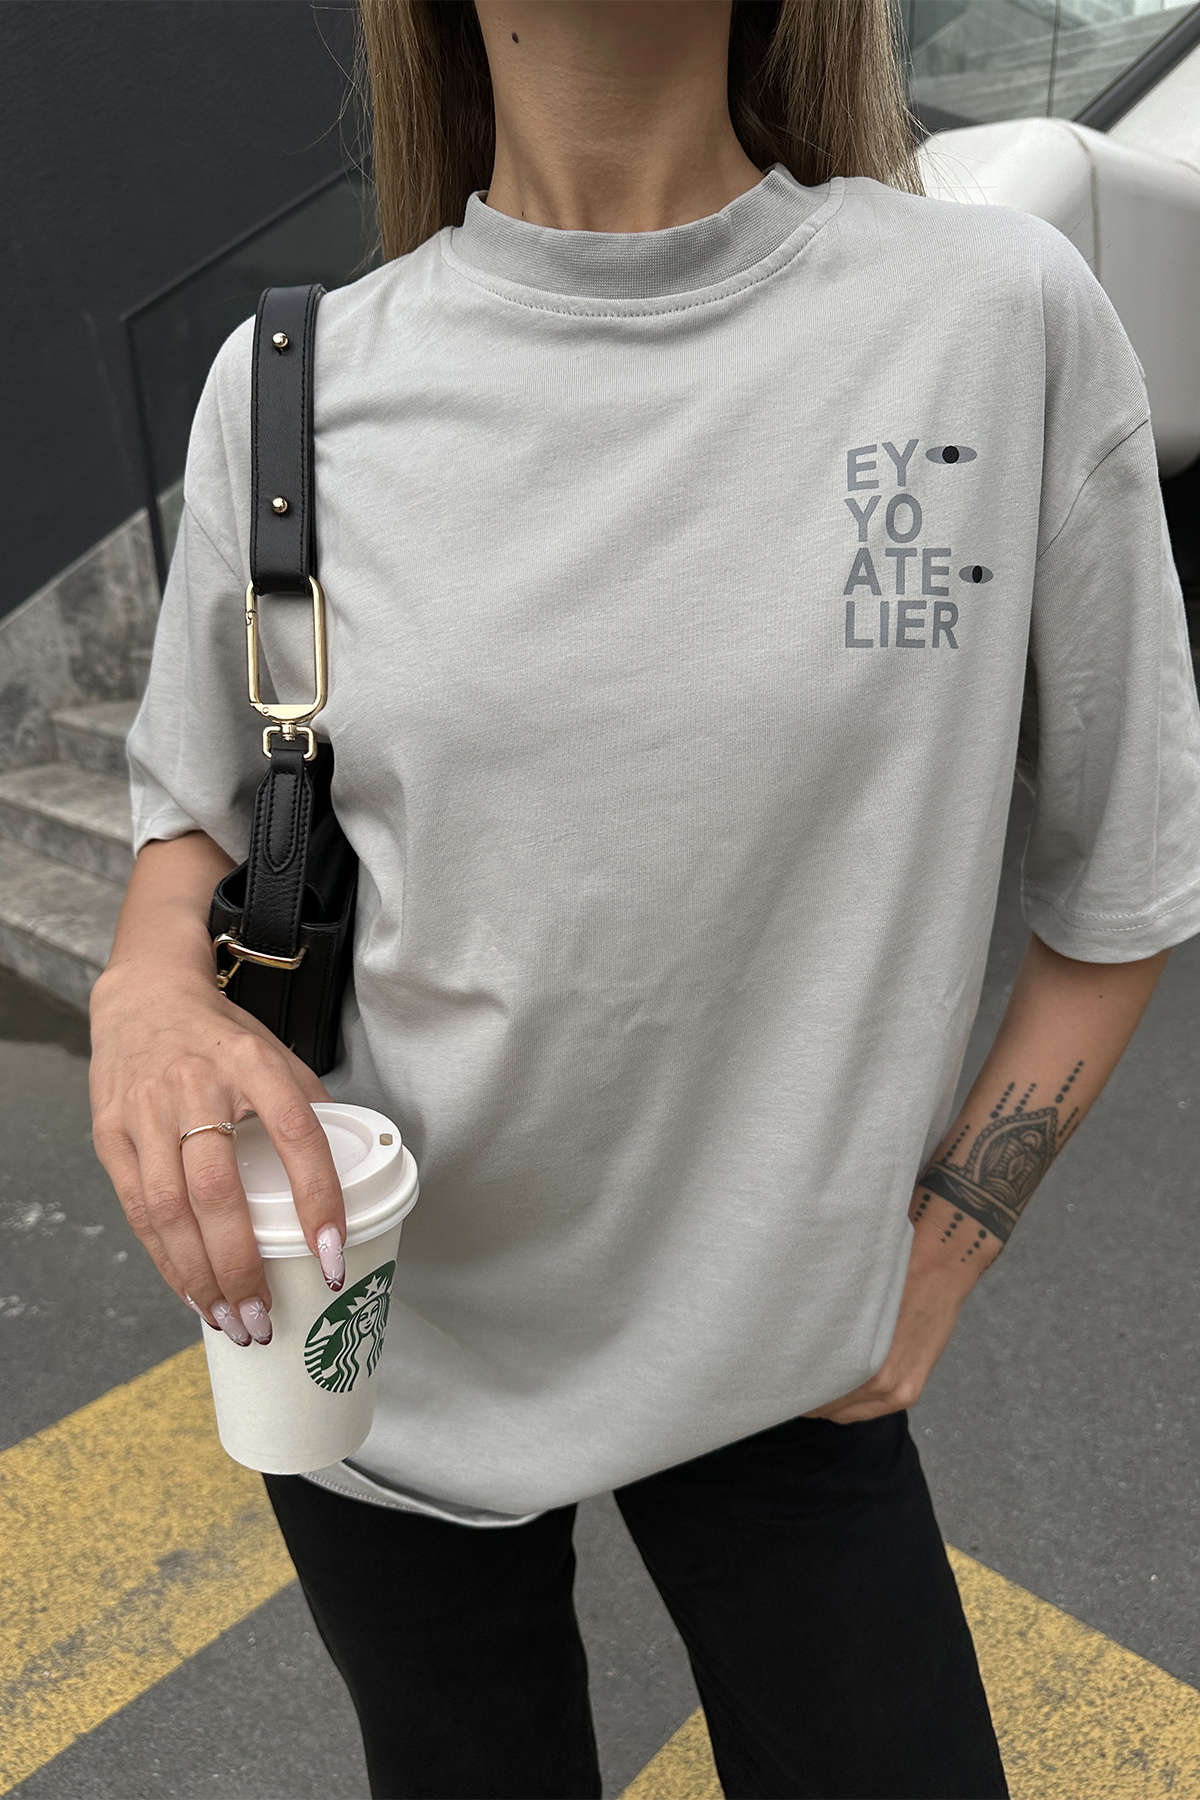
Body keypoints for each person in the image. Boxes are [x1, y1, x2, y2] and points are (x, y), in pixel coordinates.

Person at [89, 2, 1200, 1796]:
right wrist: (147, 993)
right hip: (369, 1327)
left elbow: (1125, 887)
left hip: (792, 1361)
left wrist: (940, 1252)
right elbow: (196, 818)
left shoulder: (994, 322)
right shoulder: (289, 387)